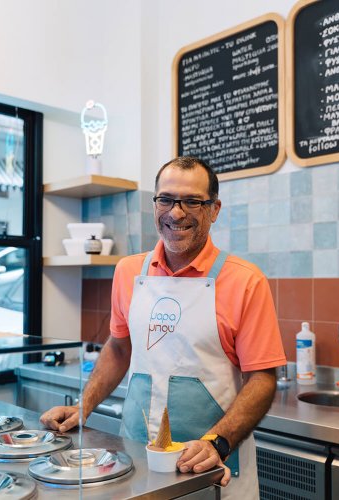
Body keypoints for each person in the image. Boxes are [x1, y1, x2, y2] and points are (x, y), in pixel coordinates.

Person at [40, 156, 286, 499]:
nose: (176, 212)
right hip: (138, 463)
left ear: (214, 210)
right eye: (166, 199)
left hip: (211, 469)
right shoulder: (128, 272)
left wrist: (218, 441)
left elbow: (261, 378)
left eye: (192, 201)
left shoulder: (245, 281)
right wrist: (84, 406)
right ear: (155, 203)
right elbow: (119, 348)